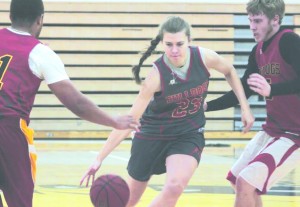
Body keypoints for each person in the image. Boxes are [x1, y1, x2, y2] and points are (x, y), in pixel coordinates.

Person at [80, 15, 254, 207]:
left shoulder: (204, 57)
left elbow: (229, 71)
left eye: (179, 44)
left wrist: (245, 108)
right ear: (162, 43)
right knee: (129, 201)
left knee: (174, 186)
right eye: (169, 44)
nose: (174, 50)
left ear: (189, 40)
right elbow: (129, 121)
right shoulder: (155, 76)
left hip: (188, 134)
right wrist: (99, 158)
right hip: (151, 135)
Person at [0, 0, 140, 206]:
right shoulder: (39, 52)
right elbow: (76, 103)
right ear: (40, 20)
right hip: (9, 131)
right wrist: (114, 121)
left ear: (10, 16)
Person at [205, 0, 300, 207]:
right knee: (237, 179)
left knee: (246, 182)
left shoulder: (290, 41)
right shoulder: (257, 52)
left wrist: (271, 90)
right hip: (273, 129)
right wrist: (205, 107)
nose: (252, 26)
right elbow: (242, 92)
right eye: (250, 20)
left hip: (295, 134)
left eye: (257, 21)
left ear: (275, 19)